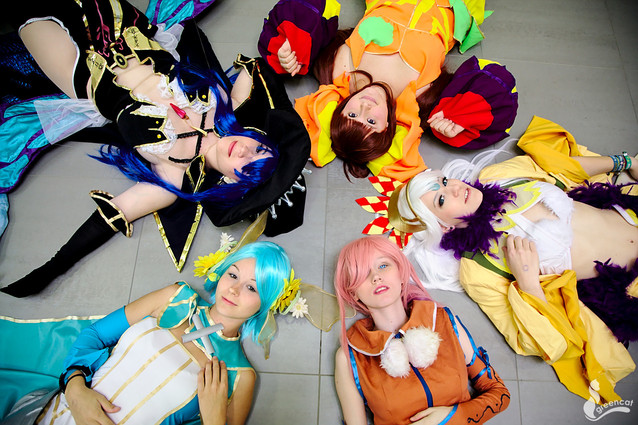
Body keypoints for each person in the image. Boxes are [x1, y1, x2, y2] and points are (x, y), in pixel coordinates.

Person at [0, 0, 311, 297]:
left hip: (80, 65)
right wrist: (287, 56)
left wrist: (51, 270)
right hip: (122, 25)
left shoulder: (172, 175)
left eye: (248, 166)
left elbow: (116, 213)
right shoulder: (226, 103)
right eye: (259, 148)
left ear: (234, 182)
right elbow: (260, 69)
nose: (245, 151)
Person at [374, 115, 638, 402]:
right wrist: (528, 282)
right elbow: (540, 342)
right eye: (441, 200)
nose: (455, 188)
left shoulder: (497, 177)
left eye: (444, 182)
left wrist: (625, 162)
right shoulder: (479, 269)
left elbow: (562, 168)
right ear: (443, 227)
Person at [0, 241, 297, 425]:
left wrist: (214, 417)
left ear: (267, 304)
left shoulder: (241, 376)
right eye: (233, 275)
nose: (233, 289)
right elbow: (94, 336)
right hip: (49, 414)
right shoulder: (174, 297)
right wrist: (75, 390)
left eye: (251, 287)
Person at [259, 0, 518, 181]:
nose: (366, 106)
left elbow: (316, 6)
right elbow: (499, 84)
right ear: (387, 127)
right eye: (371, 121)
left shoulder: (338, 67)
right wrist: (461, 117)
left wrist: (289, 48)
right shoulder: (422, 100)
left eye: (352, 115)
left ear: (340, 110)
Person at [333, 236, 510, 425]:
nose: (376, 277)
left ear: (401, 275)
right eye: (362, 273)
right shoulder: (350, 357)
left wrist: (451, 417)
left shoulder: (445, 321)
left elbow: (499, 393)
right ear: (354, 293)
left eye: (383, 265)